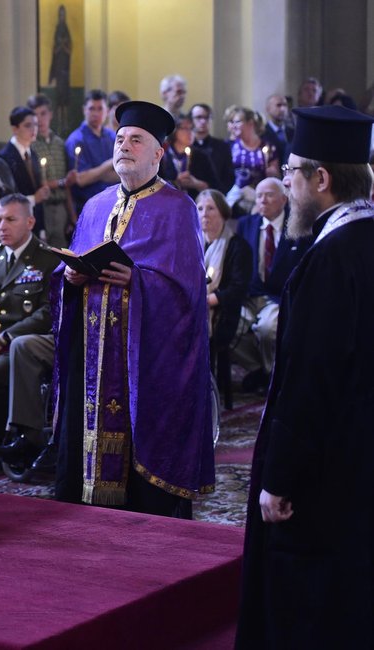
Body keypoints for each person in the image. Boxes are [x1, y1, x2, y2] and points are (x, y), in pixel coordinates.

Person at [236, 104, 374, 650]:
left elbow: (308, 379)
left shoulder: (330, 259)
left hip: (323, 469)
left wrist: (280, 478)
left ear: (322, 179)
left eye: (292, 174)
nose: (286, 186)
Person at [51, 101, 214, 518]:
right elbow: (74, 257)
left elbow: (187, 291)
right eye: (120, 139)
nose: (124, 146)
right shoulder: (96, 204)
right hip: (92, 345)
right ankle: (83, 500)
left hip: (141, 353)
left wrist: (138, 282)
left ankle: (142, 511)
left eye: (136, 140)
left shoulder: (178, 209)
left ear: (159, 153)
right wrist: (68, 277)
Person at [0, 194, 58, 461]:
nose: (1, 226)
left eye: (10, 219)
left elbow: (48, 312)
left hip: (19, 346)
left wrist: (3, 339)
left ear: (30, 221)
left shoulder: (48, 260)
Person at [233, 177, 309, 393]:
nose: (262, 200)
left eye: (268, 195)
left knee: (267, 329)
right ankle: (261, 369)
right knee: (226, 328)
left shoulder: (298, 226)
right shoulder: (246, 224)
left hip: (280, 296)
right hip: (249, 295)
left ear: (284, 199)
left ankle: (273, 377)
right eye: (258, 196)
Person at [197, 189, 252, 400]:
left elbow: (238, 288)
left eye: (211, 208)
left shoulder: (238, 246)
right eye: (200, 209)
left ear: (223, 212)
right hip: (195, 307)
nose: (204, 214)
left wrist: (207, 301)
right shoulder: (192, 244)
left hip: (222, 315)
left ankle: (206, 396)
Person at [0, 107, 54, 240]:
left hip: (34, 221)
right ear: (15, 128)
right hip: (15, 223)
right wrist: (34, 198)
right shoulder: (4, 157)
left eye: (35, 124)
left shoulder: (33, 154)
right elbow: (7, 195)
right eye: (28, 125)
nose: (34, 129)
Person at [27, 94, 76, 246]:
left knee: (61, 249)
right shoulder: (30, 144)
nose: (39, 119)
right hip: (43, 206)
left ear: (50, 114)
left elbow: (66, 183)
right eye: (35, 115)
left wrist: (71, 216)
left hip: (60, 205)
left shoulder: (59, 143)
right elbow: (36, 181)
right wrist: (60, 182)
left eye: (43, 114)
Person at [65, 89, 119, 213]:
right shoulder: (76, 139)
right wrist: (110, 163)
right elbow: (81, 180)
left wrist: (94, 175)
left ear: (107, 111)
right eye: (91, 109)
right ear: (84, 110)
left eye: (100, 109)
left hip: (113, 205)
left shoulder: (112, 137)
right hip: (87, 208)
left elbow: (121, 175)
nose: (95, 113)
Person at [158, 114, 219, 199]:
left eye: (192, 129)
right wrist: (175, 182)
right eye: (185, 128)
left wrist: (196, 184)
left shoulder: (201, 156)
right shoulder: (162, 154)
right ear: (175, 131)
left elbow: (215, 187)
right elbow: (155, 183)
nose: (190, 132)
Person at [190, 103, 235, 193]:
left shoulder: (222, 146)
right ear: (191, 120)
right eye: (199, 117)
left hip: (216, 195)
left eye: (207, 117)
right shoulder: (185, 146)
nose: (203, 121)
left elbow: (229, 178)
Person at [261, 93, 294, 165]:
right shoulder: (261, 134)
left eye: (285, 105)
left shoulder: (294, 132)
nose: (282, 109)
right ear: (268, 109)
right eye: (278, 105)